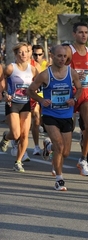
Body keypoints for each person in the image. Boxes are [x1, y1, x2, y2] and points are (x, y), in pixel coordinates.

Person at [27, 45, 83, 191]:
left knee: (66, 152)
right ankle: (59, 179)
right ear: (52, 56)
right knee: (59, 146)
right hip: (50, 115)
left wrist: (74, 99)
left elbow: (80, 88)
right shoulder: (45, 75)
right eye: (59, 56)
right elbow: (30, 90)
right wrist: (41, 101)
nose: (62, 59)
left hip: (66, 115)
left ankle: (48, 146)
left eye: (64, 56)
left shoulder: (71, 73)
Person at [64, 22, 88, 176]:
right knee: (66, 131)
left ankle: (83, 159)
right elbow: (59, 68)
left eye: (86, 32)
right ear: (74, 34)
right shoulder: (68, 51)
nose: (84, 35)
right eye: (80, 32)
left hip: (85, 93)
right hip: (69, 94)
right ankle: (53, 147)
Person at [0, 42, 39, 172]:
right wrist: (5, 93)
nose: (24, 54)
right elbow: (2, 80)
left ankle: (18, 161)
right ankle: (6, 137)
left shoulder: (32, 69)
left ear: (29, 54)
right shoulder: (11, 68)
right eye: (20, 52)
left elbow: (40, 81)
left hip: (26, 104)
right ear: (16, 54)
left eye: (26, 52)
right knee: (16, 134)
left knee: (24, 134)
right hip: (13, 103)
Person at [30, 44, 48, 155]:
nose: (37, 57)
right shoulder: (30, 65)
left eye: (39, 54)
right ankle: (36, 146)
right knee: (36, 120)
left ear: (43, 55)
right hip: (35, 96)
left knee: (45, 120)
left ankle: (48, 143)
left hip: (46, 95)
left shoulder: (47, 65)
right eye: (35, 54)